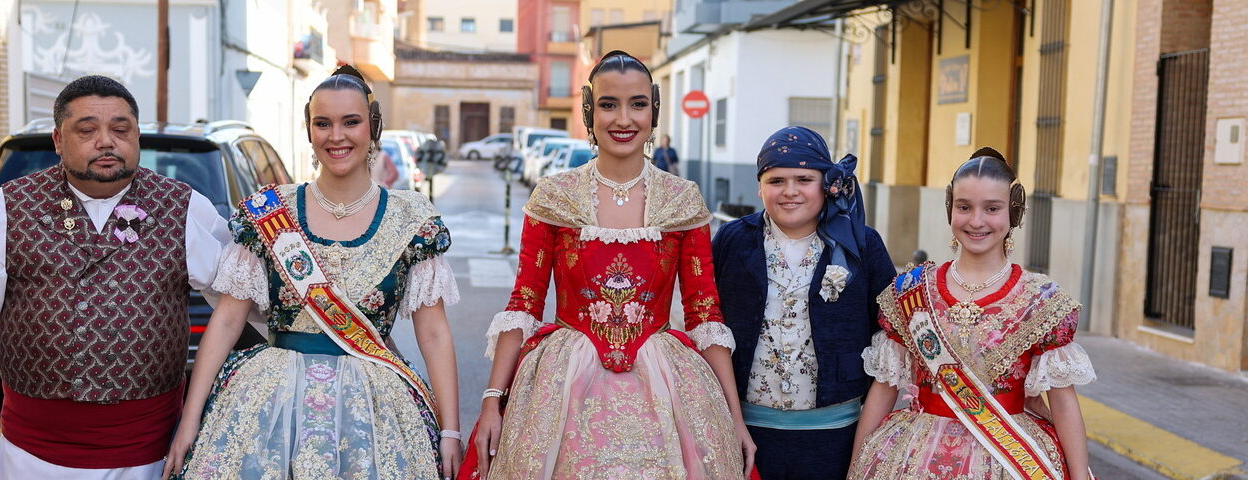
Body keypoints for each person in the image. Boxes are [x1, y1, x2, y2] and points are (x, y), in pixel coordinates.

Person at [0, 75, 231, 479]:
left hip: (150, 453)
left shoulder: (185, 209)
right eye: (87, 130)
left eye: (120, 129)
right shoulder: (8, 209)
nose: (107, 141)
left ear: (137, 136)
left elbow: (240, 303)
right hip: (33, 455)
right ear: (59, 140)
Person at [462, 50, 756, 479]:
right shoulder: (554, 196)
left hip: (666, 385)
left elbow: (705, 313)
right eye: (608, 104)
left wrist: (734, 418)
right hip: (564, 387)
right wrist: (492, 400)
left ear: (654, 110)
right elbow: (524, 302)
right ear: (589, 111)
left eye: (637, 104)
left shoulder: (682, 200)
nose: (624, 119)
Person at [164, 65, 464, 479]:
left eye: (351, 122)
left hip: (374, 414)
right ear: (309, 130)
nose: (336, 136)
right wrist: (191, 419)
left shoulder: (411, 218)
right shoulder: (271, 211)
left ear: (373, 128)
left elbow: (433, 333)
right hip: (270, 407)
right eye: (322, 123)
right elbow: (228, 320)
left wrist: (450, 430)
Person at [848, 147, 1096, 480]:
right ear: (951, 208)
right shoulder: (911, 291)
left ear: (1014, 213)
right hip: (915, 455)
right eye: (964, 207)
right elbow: (883, 389)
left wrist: (1080, 475)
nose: (976, 221)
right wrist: (857, 464)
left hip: (1008, 456)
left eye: (992, 208)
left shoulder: (1042, 301)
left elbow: (1064, 404)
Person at [710, 126, 896, 479]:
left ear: (826, 184)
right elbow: (709, 323)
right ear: (760, 186)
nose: (790, 191)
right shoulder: (733, 241)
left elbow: (888, 334)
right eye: (776, 180)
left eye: (803, 179)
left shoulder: (862, 244)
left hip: (835, 434)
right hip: (747, 432)